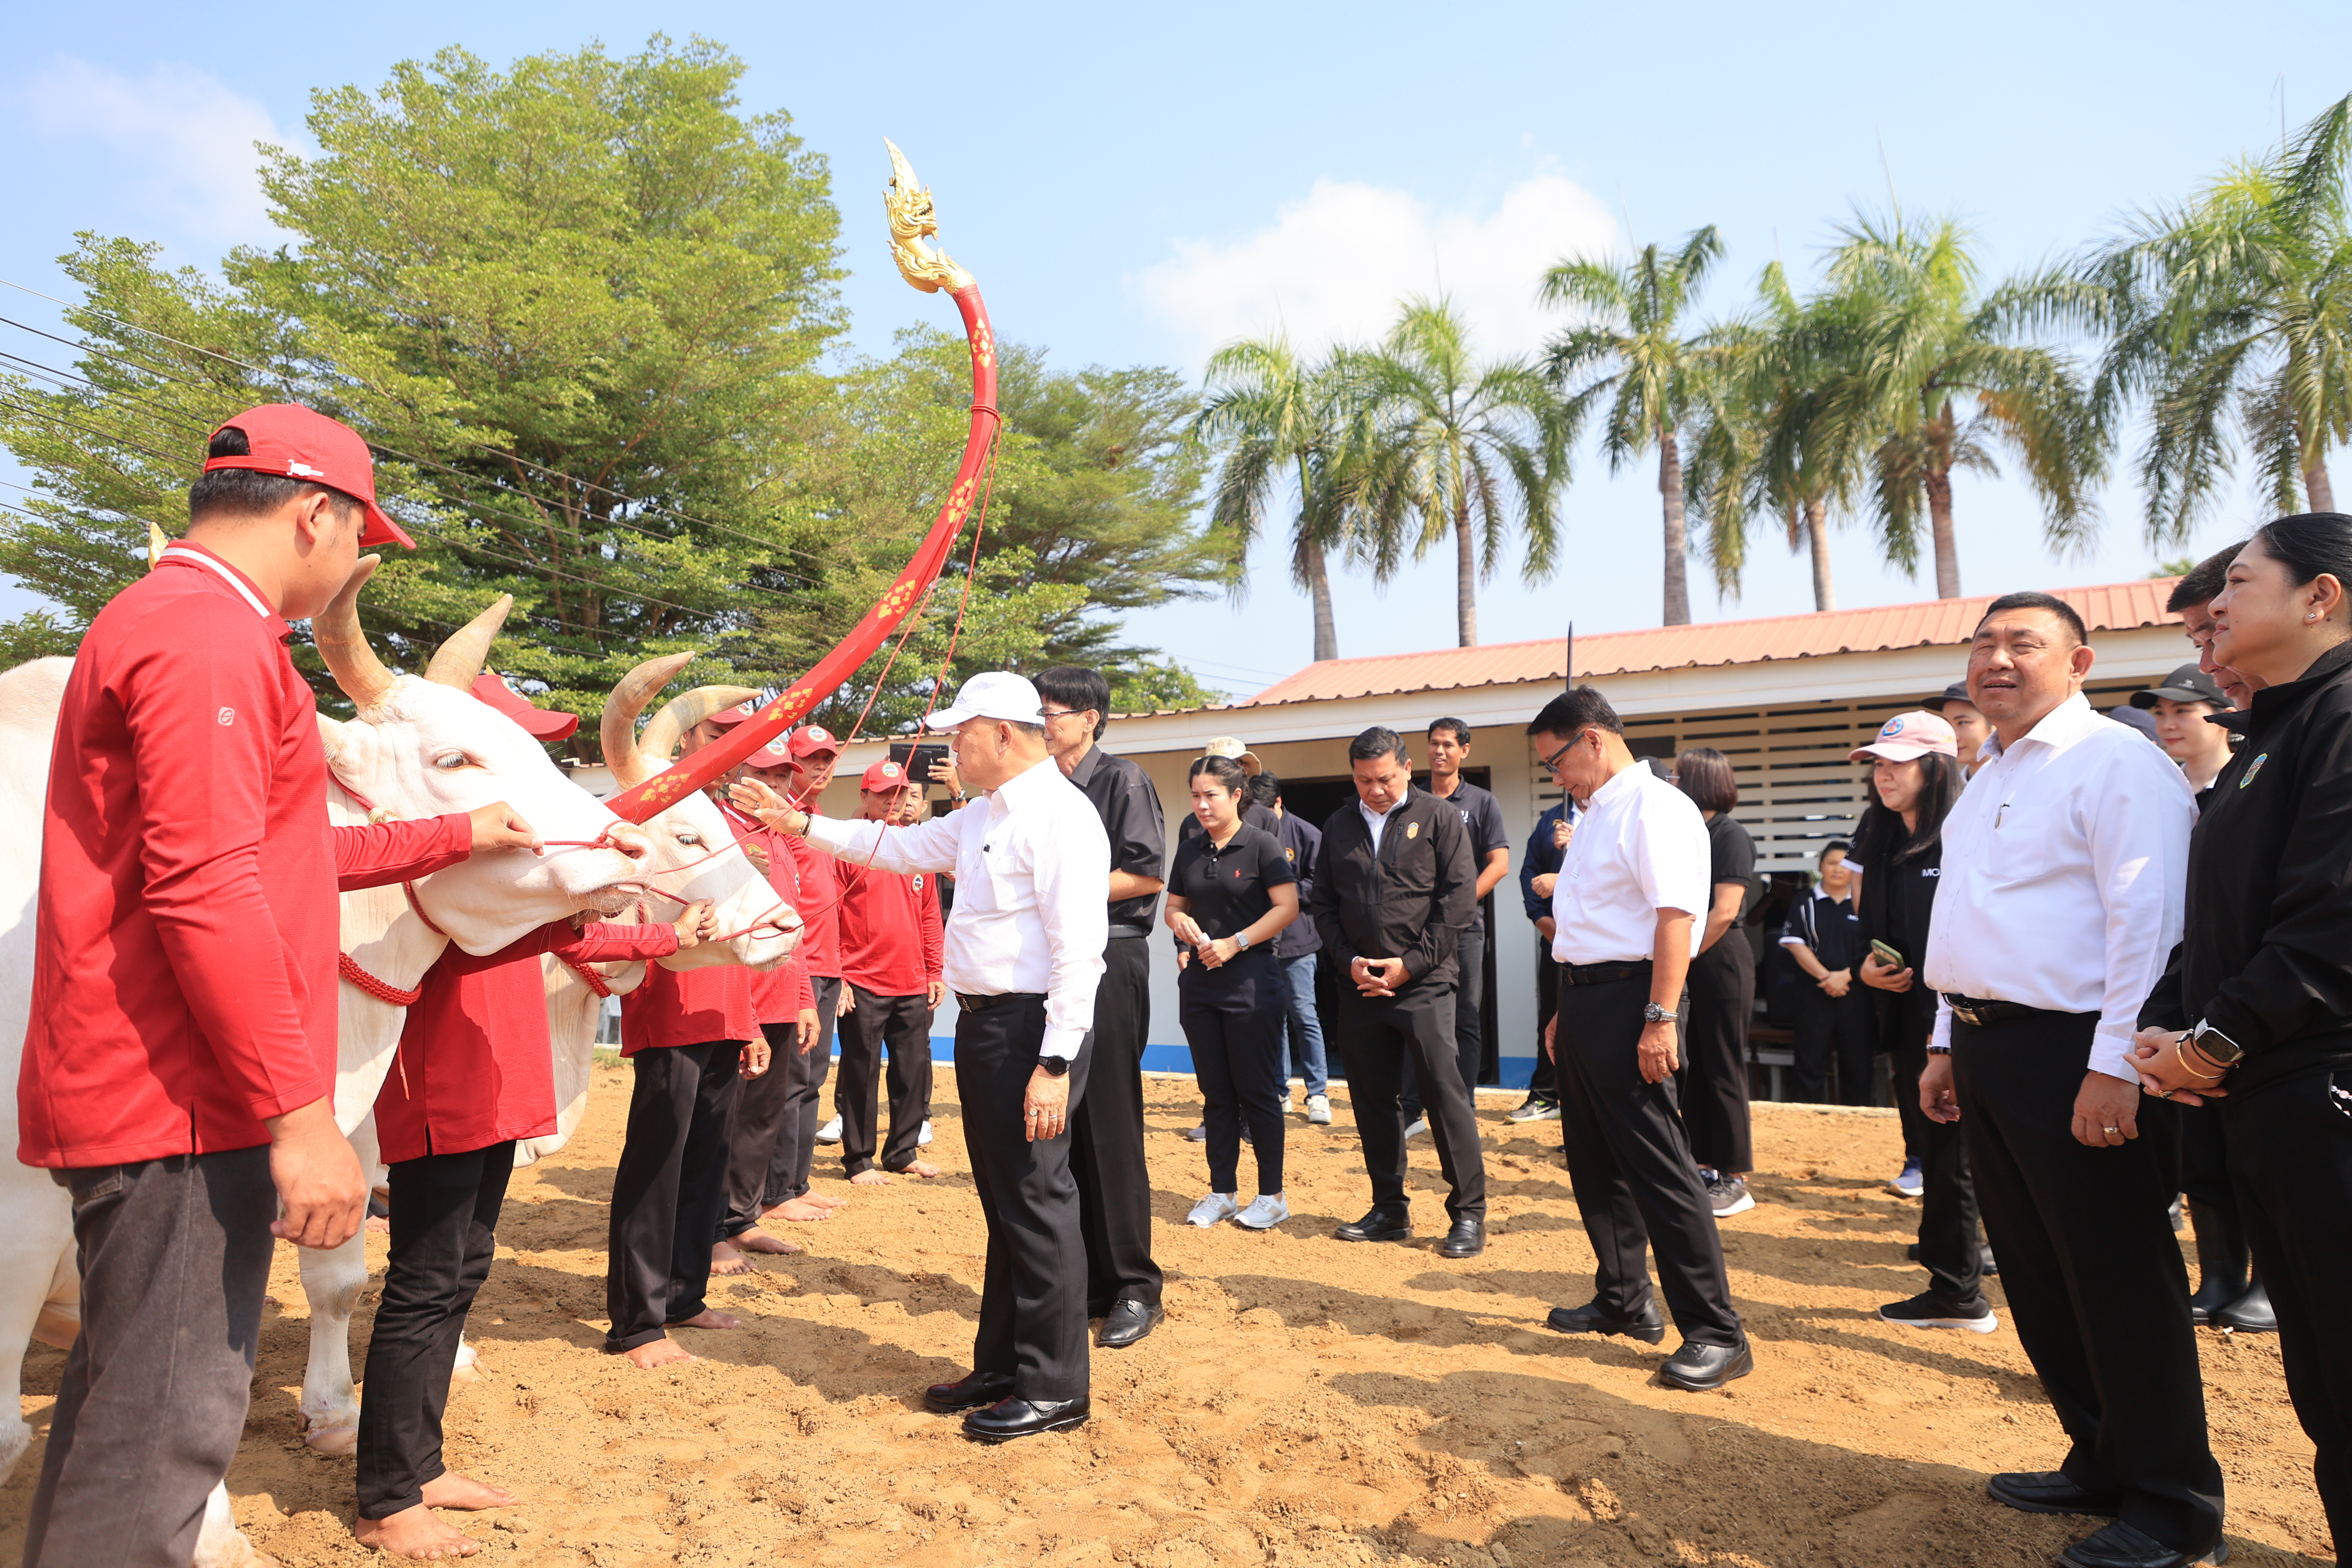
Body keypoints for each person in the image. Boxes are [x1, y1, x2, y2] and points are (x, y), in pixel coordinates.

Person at [18, 404, 543, 1568]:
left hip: (169, 1092)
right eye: (362, 539)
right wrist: (302, 1118)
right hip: (183, 1103)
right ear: (315, 513)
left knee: (123, 1422)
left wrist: (453, 834)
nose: (360, 563)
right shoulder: (207, 634)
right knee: (164, 1432)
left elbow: (278, 854)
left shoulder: (187, 620)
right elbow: (206, 885)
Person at [1918, 591, 2219, 1568]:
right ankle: (2097, 1455)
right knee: (2040, 1271)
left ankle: (2172, 1506)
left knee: (2117, 1277)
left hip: (2077, 1051)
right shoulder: (1988, 771)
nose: (1994, 659)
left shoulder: (2115, 763)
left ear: (2078, 663)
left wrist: (2111, 1067)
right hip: (1986, 1045)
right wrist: (1939, 1039)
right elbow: (1962, 919)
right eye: (1981, 644)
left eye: (2022, 643)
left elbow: (2150, 925)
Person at [736, 671, 1109, 1443]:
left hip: (1034, 1030)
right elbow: (893, 846)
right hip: (983, 1028)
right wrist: (797, 822)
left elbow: (1082, 953)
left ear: (1003, 734)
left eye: (960, 735)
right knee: (1007, 1210)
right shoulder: (980, 818)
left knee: (1038, 1204)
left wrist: (1058, 1062)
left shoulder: (1062, 817)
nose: (948, 750)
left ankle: (1056, 1386)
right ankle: (1005, 1366)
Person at [2133, 512, 2352, 1547]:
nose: (2213, 607)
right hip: (2270, 1101)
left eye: (2239, 581)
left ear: (2320, 596)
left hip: (2324, 1091)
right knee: (2321, 1378)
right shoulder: (2270, 738)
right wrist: (2164, 1028)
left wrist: (2207, 1046)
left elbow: (2329, 924)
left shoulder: (2342, 715)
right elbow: (2220, 925)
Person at [1530, 687, 1751, 1393]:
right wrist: (1568, 1004)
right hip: (1587, 998)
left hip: (1634, 1001)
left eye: (1557, 760)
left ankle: (1716, 1330)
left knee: (1661, 1167)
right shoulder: (1596, 812)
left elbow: (1674, 919)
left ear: (1592, 739)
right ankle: (1625, 1296)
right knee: (1594, 1161)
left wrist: (1661, 1016)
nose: (1555, 776)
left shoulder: (1656, 805)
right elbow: (1591, 918)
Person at [2151, 551, 2275, 1335]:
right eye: (2200, 638)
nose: (2211, 659)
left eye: (2215, 633)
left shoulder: (2306, 740)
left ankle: (2260, 1278)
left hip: (2274, 1021)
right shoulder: (2238, 771)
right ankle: (2224, 1271)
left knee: (2267, 1170)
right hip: (2214, 1013)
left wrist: (2217, 1033)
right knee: (2208, 1162)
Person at [1843, 711, 1995, 1334]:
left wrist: (1945, 1033)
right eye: (1878, 764)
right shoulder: (1878, 837)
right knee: (1933, 1149)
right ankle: (1953, 1266)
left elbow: (1974, 935)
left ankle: (1960, 1290)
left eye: (1898, 762)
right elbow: (1872, 932)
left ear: (1937, 767)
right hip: (1904, 1015)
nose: (1884, 775)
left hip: (1959, 1018)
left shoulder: (1964, 832)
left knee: (1952, 1152)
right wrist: (1867, 969)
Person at [1308, 726, 1487, 1257]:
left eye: (1385, 778)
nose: (1375, 790)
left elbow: (1457, 903)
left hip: (1424, 985)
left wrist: (1408, 966)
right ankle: (1389, 1207)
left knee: (1442, 1094)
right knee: (1371, 1099)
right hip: (1359, 985)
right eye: (1364, 780)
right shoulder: (1339, 824)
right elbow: (1324, 905)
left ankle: (1469, 1214)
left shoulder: (1439, 818)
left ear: (1407, 769)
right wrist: (1350, 962)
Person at [1035, 665, 1168, 1351]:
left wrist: (1058, 891)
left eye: (1051, 711)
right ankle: (1086, 1277)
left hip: (1111, 957)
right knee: (1065, 1124)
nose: (1042, 722)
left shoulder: (1122, 781)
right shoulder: (1039, 788)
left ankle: (1135, 1287)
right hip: (1056, 961)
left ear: (1089, 717)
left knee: (1111, 1122)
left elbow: (1146, 871)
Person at [606, 900, 773, 1368]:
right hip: (668, 1018)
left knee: (705, 1168)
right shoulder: (670, 836)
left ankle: (683, 1299)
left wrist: (747, 1022)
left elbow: (734, 951)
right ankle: (636, 1325)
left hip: (723, 1018)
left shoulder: (727, 850)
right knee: (655, 1174)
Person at [1167, 756, 1301, 1229]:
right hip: (1201, 985)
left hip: (1252, 982)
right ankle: (1222, 1191)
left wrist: (1237, 942)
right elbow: (1175, 907)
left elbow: (1288, 907)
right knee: (1216, 1092)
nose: (1202, 805)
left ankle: (1272, 1195)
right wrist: (1178, 921)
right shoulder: (1189, 850)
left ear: (1237, 795)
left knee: (1257, 1091)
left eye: (1212, 796)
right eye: (1196, 796)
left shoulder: (1262, 844)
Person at [712, 730, 819, 1274]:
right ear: (735, 775)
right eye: (764, 774)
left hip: (780, 998)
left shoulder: (779, 838)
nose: (776, 785)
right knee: (722, 1123)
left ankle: (743, 1218)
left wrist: (803, 997)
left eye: (782, 777)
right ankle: (711, 1232)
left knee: (761, 1120)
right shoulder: (719, 832)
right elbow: (725, 934)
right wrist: (745, 1016)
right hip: (739, 1002)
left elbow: (792, 927)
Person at [832, 759, 946, 1184]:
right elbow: (831, 914)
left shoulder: (916, 845)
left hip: (912, 981)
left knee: (913, 1070)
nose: (892, 801)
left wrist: (935, 969)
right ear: (864, 797)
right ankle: (859, 1160)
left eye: (899, 793)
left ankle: (902, 1150)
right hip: (862, 981)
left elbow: (930, 915)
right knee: (861, 1073)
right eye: (883, 794)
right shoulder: (847, 844)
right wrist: (839, 974)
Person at [1397, 720, 1511, 1139]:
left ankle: (1462, 1104)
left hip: (1465, 930)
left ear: (1465, 751)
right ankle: (1410, 1109)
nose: (1439, 751)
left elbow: (1498, 864)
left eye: (1448, 745)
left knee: (1465, 1017)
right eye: (1433, 744)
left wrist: (1457, 907)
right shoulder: (1412, 799)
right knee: (1414, 1015)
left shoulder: (1482, 803)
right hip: (1416, 933)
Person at [766, 727, 848, 1212]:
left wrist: (843, 972)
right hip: (798, 965)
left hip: (828, 967)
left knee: (812, 1080)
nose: (821, 767)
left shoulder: (818, 823)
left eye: (828, 759)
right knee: (790, 1081)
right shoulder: (780, 822)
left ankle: (797, 1182)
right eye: (810, 759)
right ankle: (776, 1192)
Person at [1672, 747, 1758, 1216]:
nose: (1671, 779)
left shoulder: (1730, 834)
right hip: (1693, 959)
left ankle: (1735, 1177)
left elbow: (1724, 911)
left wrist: (1681, 957)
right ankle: (1704, 1164)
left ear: (1700, 781)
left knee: (1724, 1066)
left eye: (1678, 774)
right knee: (1697, 1065)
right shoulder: (1691, 834)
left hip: (1720, 958)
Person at [1258, 773, 1332, 1125]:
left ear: (1278, 803)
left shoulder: (1307, 834)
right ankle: (1280, 1090)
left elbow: (1320, 885)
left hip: (1299, 942)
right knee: (1274, 1020)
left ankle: (1318, 1093)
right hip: (1261, 944)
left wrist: (1278, 893)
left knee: (1305, 1015)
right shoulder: (1251, 833)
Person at [1778, 842, 1877, 1105]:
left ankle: (1859, 1122)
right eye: (1831, 862)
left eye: (1845, 863)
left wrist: (1846, 976)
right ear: (1821, 866)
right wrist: (1827, 977)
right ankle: (1807, 1122)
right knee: (1810, 1063)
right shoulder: (1804, 901)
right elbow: (1795, 943)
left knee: (1857, 1064)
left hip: (1857, 994)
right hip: (1814, 993)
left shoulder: (1864, 904)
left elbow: (1875, 948)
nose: (1838, 869)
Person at [1511, 799, 1576, 1122]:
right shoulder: (1553, 818)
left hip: (1606, 945)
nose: (1558, 779)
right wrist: (1541, 920)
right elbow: (1529, 873)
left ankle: (1583, 1102)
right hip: (1555, 937)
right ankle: (1545, 1095)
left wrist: (1576, 846)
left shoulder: (1617, 811)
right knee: (1550, 1015)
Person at [2133, 664, 2235, 796]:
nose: (2167, 725)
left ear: (2225, 718)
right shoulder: (2156, 791)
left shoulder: (2252, 783)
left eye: (2181, 711)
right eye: (2159, 713)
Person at [1926, 680, 1993, 777]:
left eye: (1962, 722)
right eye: (1947, 724)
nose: (1952, 737)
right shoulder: (1951, 789)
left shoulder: (2019, 779)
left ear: (1996, 721)